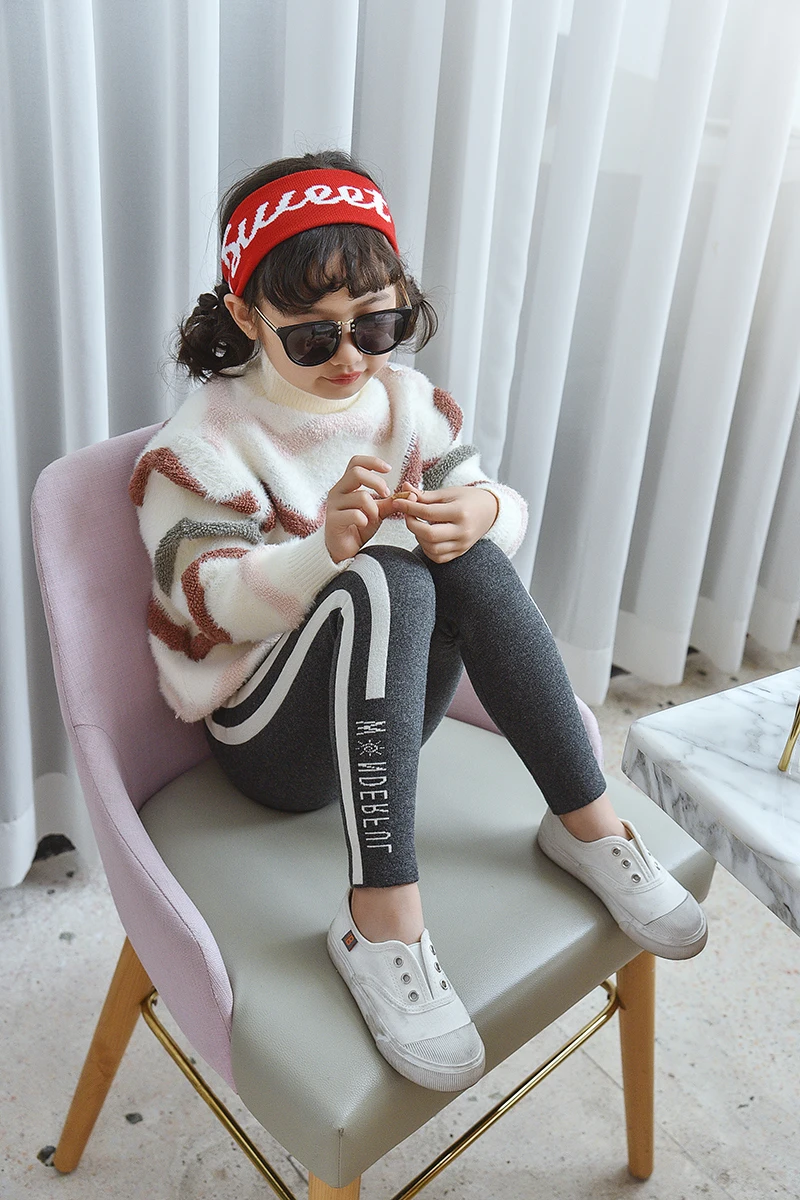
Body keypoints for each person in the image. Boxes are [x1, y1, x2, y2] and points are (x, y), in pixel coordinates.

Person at [130, 149, 707, 1094]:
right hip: (269, 744)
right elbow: (211, 603)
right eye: (312, 338)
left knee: (460, 553)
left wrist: (483, 509)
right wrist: (323, 550)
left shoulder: (406, 404)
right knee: (384, 579)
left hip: (390, 716)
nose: (352, 358)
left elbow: (481, 502)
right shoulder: (199, 447)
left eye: (378, 322)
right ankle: (381, 918)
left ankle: (587, 823)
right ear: (245, 316)